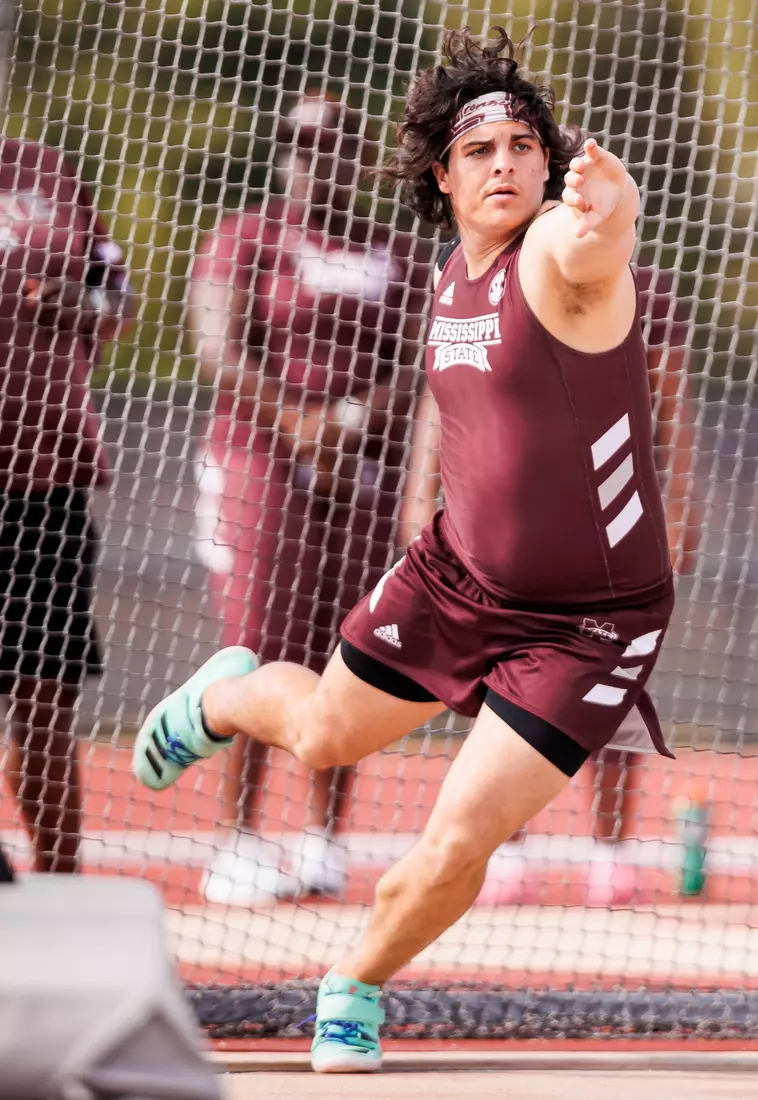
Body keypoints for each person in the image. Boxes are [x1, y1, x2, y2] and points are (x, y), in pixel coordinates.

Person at [134, 27, 677, 1073]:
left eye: (527, 144)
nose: (508, 163)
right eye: (483, 150)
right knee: (327, 734)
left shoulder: (563, 266)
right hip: (454, 575)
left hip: (589, 624)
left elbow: (595, 247)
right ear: (445, 172)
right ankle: (220, 699)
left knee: (460, 831)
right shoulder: (442, 279)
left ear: (552, 165)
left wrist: (615, 209)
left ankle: (356, 983)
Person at [187, 91, 430, 904]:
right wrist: (300, 424)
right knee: (260, 638)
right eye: (295, 140)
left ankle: (322, 835)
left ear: (359, 157)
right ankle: (239, 836)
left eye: (329, 143)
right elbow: (219, 350)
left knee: (353, 645)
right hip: (263, 456)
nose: (310, 156)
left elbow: (423, 356)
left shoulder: (396, 253)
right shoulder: (247, 237)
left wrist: (353, 424)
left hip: (363, 465)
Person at [476, 262, 697, 906]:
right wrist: (421, 499)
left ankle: (610, 853)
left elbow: (673, 409)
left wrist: (683, 507)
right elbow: (456, 398)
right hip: (517, 514)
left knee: (613, 682)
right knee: (509, 679)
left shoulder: (644, 285)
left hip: (616, 517)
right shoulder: (498, 276)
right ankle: (508, 851)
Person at [0, 136, 130, 875]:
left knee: (45, 702)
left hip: (48, 481)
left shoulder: (50, 169)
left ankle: (59, 884)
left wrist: (75, 302)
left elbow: (119, 302)